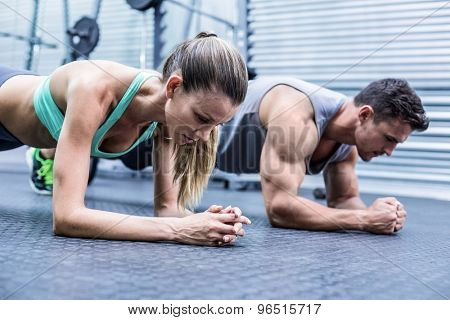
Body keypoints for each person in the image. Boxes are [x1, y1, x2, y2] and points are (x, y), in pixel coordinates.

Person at [0, 32, 251, 246]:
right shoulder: (94, 89)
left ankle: (46, 152)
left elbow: (167, 209)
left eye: (217, 125)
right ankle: (46, 154)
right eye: (202, 118)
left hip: (22, 129)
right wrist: (179, 230)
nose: (205, 136)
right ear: (173, 87)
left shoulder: (170, 120)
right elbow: (67, 218)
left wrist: (213, 222)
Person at [119, 77, 429, 235]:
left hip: (206, 158)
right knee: (121, 147)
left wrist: (381, 214)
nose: (389, 151)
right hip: (174, 136)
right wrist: (364, 220)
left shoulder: (348, 143)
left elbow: (344, 201)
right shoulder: (297, 113)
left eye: (396, 144)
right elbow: (280, 209)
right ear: (364, 114)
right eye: (389, 139)